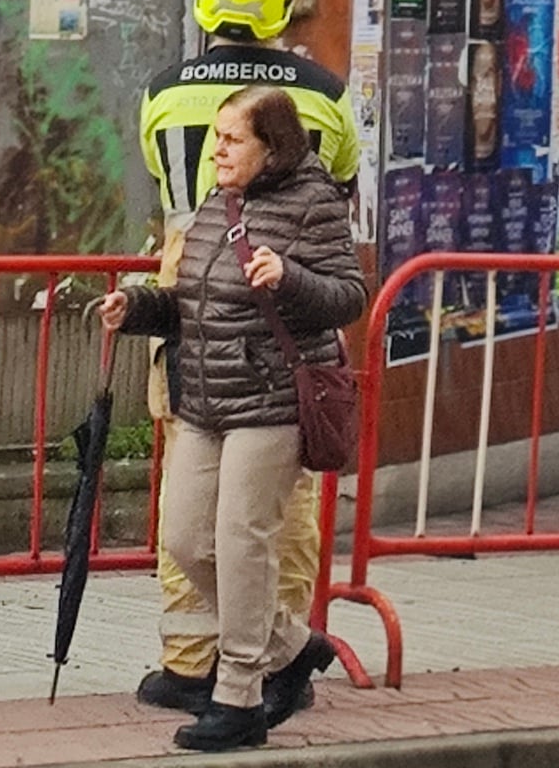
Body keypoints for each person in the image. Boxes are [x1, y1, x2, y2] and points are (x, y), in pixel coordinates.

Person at [135, 0, 356, 728]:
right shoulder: (323, 97)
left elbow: (165, 194)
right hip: (269, 326)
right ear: (283, 2)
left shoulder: (163, 93)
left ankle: (205, 668)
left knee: (200, 510)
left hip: (189, 304)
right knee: (265, 515)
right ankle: (283, 652)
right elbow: (343, 187)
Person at [104, 89, 365, 755]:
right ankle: (292, 644)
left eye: (231, 139)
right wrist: (136, 308)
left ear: (272, 147)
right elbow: (195, 304)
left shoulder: (314, 204)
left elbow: (348, 298)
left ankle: (241, 697)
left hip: (273, 398)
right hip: (208, 400)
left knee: (243, 540)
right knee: (189, 540)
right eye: (216, 137)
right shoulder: (219, 203)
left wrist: (290, 278)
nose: (216, 150)